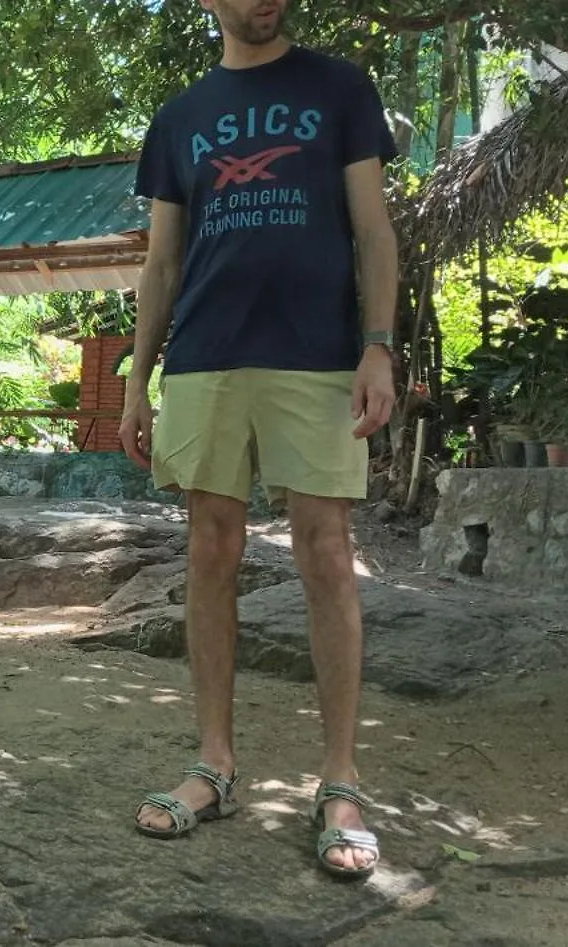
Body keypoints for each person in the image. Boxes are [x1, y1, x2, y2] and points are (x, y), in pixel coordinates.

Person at [117, 0, 400, 879]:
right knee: (210, 548)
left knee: (326, 548)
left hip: (316, 354)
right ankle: (215, 763)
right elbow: (162, 262)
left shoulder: (341, 88)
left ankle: (341, 781)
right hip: (206, 355)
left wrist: (379, 345)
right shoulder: (180, 118)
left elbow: (372, 228)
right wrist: (138, 377)